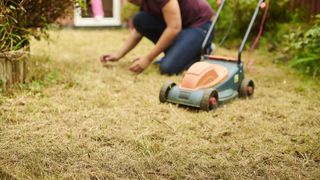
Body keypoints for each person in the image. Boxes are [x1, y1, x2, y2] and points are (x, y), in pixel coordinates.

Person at [100, 0, 215, 75]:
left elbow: (174, 27)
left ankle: (203, 50)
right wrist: (118, 54)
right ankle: (182, 52)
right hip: (183, 28)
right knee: (140, 19)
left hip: (200, 25)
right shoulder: (144, 3)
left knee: (167, 68)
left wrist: (148, 59)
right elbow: (137, 32)